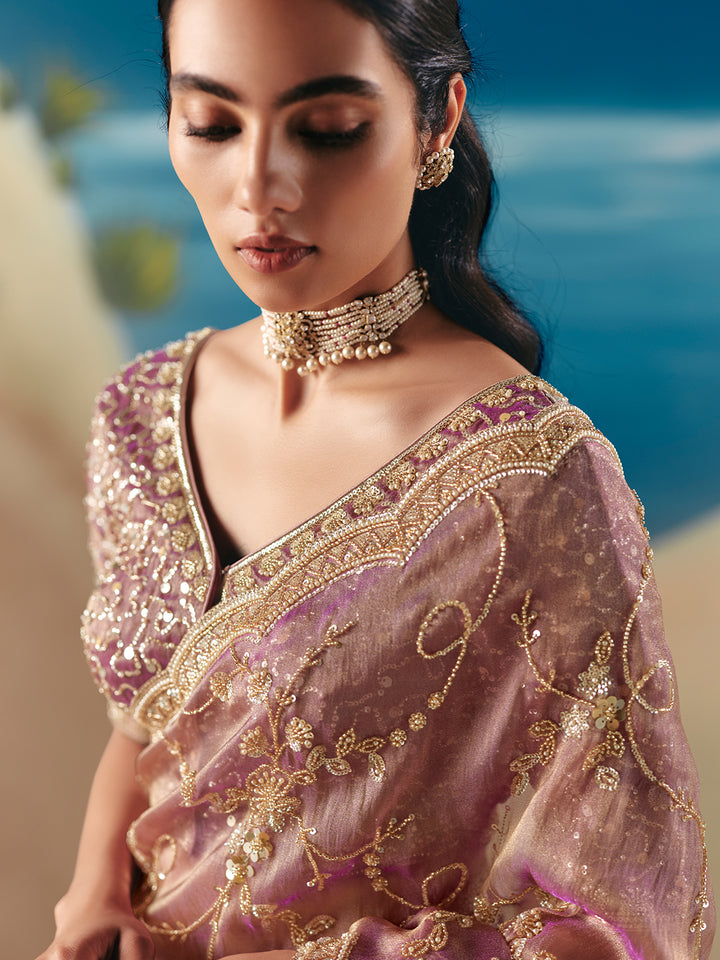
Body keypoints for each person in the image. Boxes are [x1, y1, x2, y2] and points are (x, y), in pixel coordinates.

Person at [39, 0, 714, 958]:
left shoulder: (534, 481)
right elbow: (144, 725)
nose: (258, 188)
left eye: (327, 131)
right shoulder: (146, 411)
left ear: (436, 121)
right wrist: (89, 900)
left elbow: (618, 927)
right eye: (213, 125)